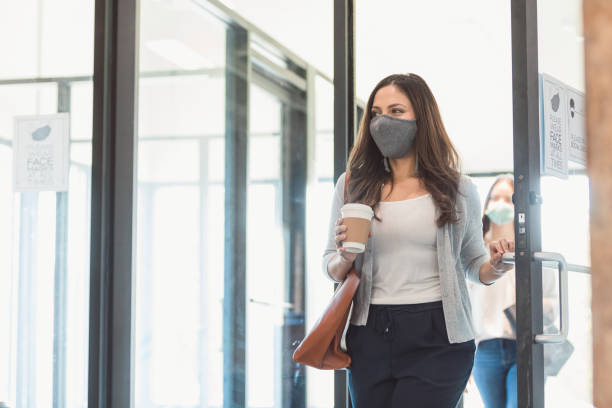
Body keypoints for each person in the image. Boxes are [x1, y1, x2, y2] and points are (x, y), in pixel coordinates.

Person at [323, 73, 514, 408]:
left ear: (421, 118)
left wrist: (495, 267)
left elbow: (472, 265)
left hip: (439, 333)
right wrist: (345, 256)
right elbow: (332, 267)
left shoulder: (458, 188)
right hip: (369, 333)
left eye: (396, 111)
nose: (383, 122)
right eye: (376, 113)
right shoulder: (352, 186)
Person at [469, 176, 557, 408]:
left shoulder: (535, 250)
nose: (500, 204)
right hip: (486, 349)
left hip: (524, 345)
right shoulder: (475, 251)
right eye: (495, 198)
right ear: (486, 206)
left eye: (508, 199)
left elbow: (553, 300)